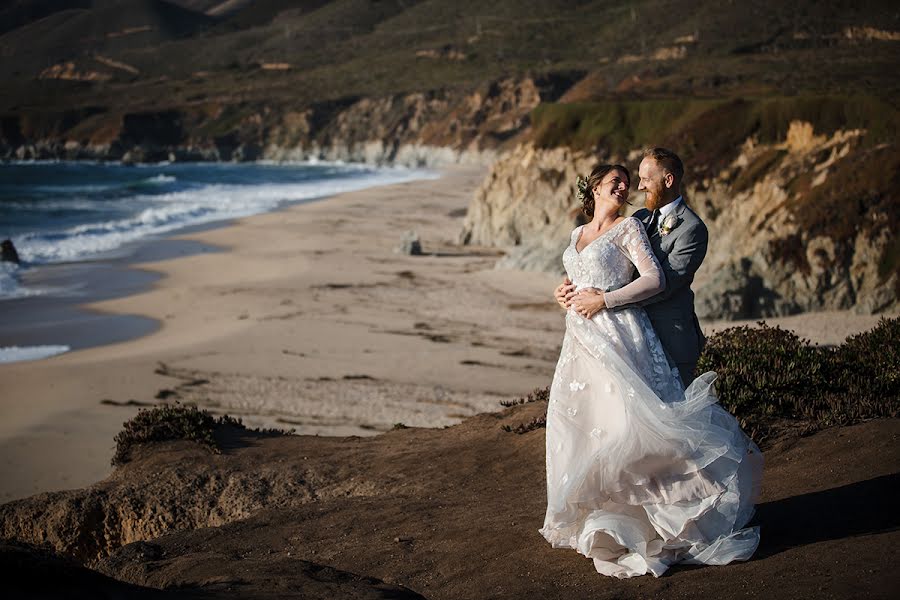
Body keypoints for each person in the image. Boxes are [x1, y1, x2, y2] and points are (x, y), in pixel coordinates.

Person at [539, 161, 762, 578]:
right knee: (585, 427)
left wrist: (603, 301)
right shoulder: (576, 234)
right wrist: (563, 292)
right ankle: (606, 521)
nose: (625, 187)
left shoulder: (629, 227)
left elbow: (655, 279)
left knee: (632, 427)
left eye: (629, 181)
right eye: (616, 181)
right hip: (579, 343)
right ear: (594, 188)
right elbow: (578, 275)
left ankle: (661, 524)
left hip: (619, 335)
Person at [555, 148, 706, 387]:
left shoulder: (691, 229)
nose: (639, 187)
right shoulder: (641, 217)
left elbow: (664, 285)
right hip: (597, 329)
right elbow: (607, 266)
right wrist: (569, 293)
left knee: (669, 406)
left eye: (645, 179)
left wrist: (603, 300)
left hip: (667, 332)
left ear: (668, 180)